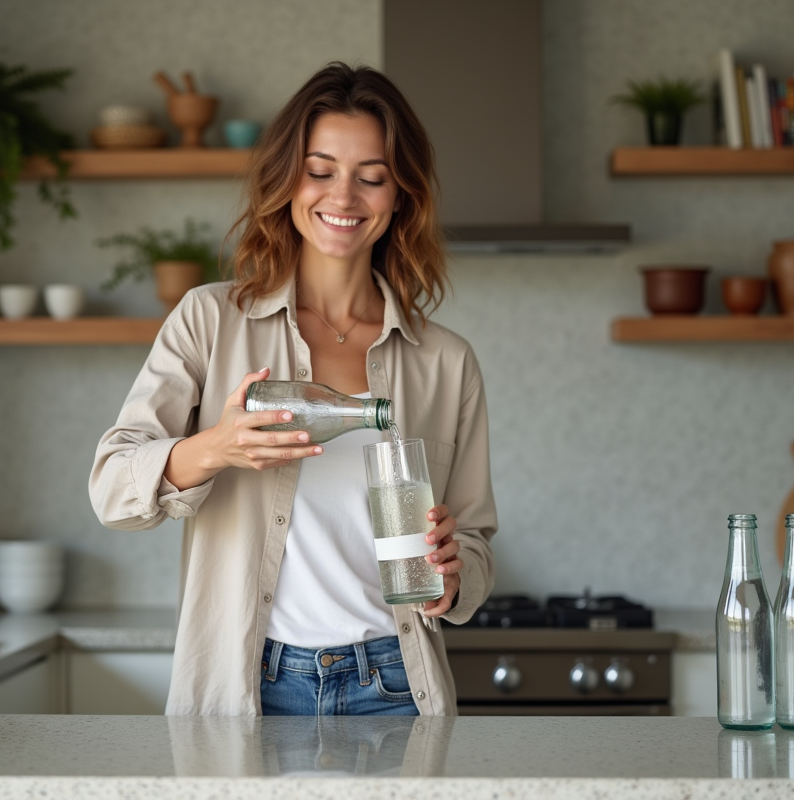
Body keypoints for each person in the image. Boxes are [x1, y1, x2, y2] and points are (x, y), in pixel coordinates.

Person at [89, 62, 497, 716]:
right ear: (287, 180)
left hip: (393, 688)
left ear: (401, 196)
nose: (344, 197)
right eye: (320, 170)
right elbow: (110, 487)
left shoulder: (445, 361)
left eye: (372, 177)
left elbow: (473, 544)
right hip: (247, 686)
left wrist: (453, 578)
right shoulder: (208, 319)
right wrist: (213, 448)